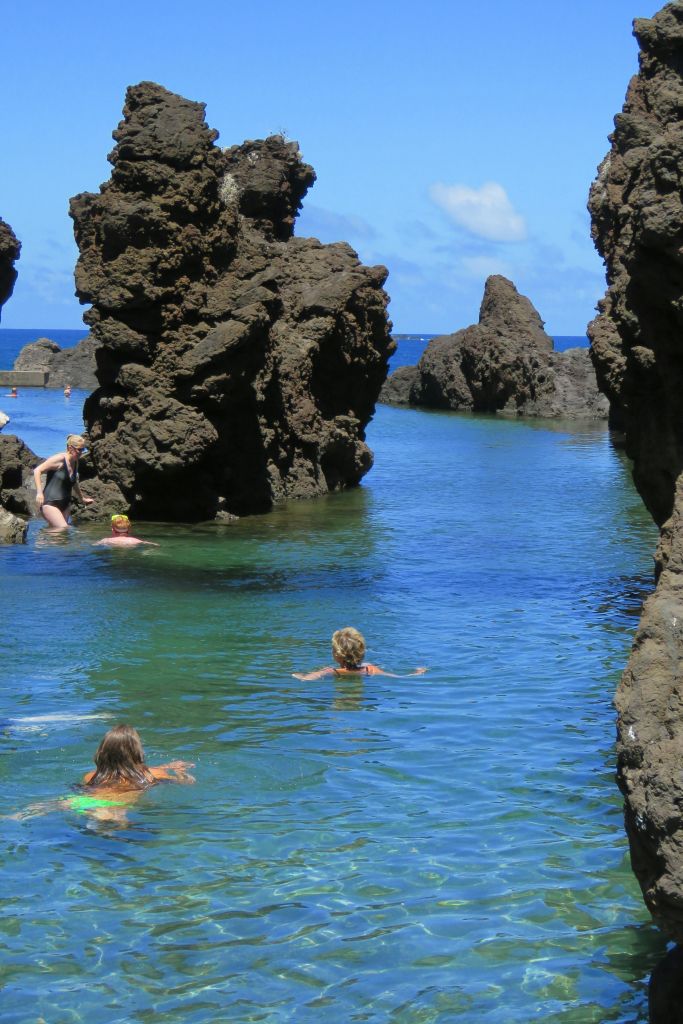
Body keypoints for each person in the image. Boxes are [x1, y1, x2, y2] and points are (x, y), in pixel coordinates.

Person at [6, 724, 195, 824]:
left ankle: (13, 817)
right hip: (116, 807)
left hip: (83, 803)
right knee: (117, 827)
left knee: (48, 806)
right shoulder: (152, 774)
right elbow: (188, 783)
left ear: (102, 752)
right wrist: (179, 774)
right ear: (137, 751)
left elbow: (119, 773)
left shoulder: (91, 776)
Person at [292, 626, 428, 680]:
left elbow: (306, 679)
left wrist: (297, 675)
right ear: (362, 652)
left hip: (341, 698)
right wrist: (417, 673)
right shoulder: (371, 669)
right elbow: (399, 677)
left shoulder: (330, 671)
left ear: (337, 655)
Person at [33, 433, 94, 528]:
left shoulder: (75, 461)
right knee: (63, 529)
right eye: (79, 449)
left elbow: (74, 482)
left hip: (65, 504)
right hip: (50, 503)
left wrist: (82, 499)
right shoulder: (59, 459)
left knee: (60, 537)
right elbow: (37, 470)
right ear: (70, 448)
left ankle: (45, 540)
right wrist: (39, 493)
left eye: (83, 449)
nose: (81, 452)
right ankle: (41, 541)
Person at [94, 513, 159, 548]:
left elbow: (94, 545)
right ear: (129, 529)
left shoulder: (106, 540)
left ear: (112, 529)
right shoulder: (134, 540)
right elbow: (154, 545)